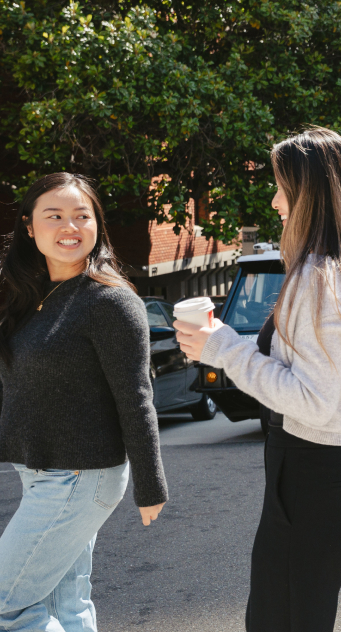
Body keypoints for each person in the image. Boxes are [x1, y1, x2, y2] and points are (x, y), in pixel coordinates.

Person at [174, 127, 341, 631]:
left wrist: (221, 347)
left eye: (281, 187)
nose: (274, 200)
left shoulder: (318, 277)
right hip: (328, 481)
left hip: (311, 489)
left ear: (309, 195)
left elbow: (312, 401)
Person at [0, 173, 169, 631]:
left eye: (82, 216)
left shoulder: (109, 302)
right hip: (42, 475)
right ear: (30, 228)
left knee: (8, 604)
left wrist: (150, 486)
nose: (69, 226)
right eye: (54, 215)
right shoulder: (30, 297)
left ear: (97, 226)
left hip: (78, 477)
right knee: (64, 607)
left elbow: (136, 399)